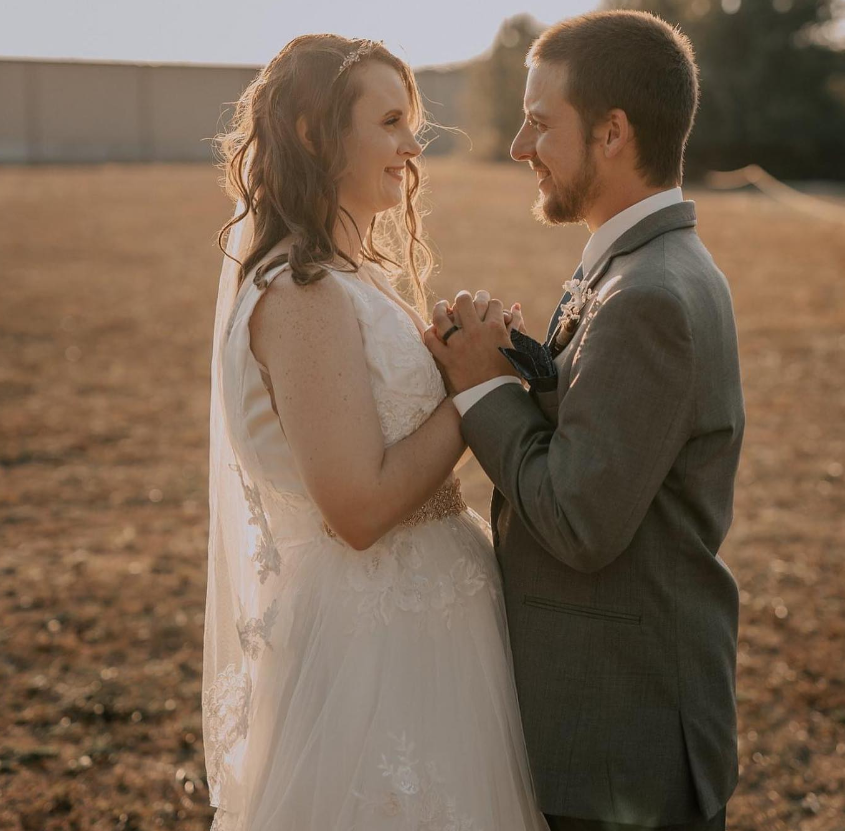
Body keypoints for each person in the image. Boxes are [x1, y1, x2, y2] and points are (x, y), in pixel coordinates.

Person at [203, 34, 548, 831]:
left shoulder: (353, 277)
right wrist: (477, 385)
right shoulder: (302, 291)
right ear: (312, 132)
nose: (410, 145)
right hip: (374, 652)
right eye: (389, 120)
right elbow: (356, 509)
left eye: (412, 121)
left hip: (431, 626)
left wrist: (459, 351)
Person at [425, 11, 745, 831]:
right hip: (617, 717)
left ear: (610, 133)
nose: (518, 146)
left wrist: (479, 390)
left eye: (539, 122)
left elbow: (577, 518)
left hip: (621, 734)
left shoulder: (648, 296)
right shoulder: (637, 261)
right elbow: (601, 413)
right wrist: (519, 360)